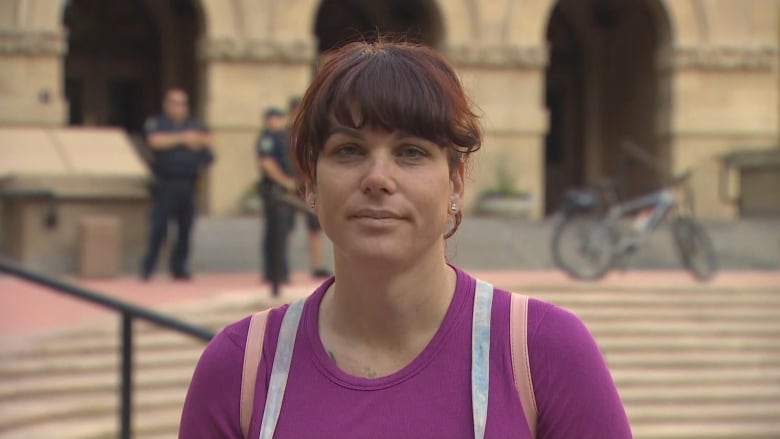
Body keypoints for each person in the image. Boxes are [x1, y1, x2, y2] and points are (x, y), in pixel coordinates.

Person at [180, 40, 632, 438]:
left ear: (455, 182)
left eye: (411, 152)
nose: (378, 178)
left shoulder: (543, 354)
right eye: (349, 150)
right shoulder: (239, 370)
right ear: (310, 183)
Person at [140, 88, 213, 281]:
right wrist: (184, 138)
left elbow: (208, 143)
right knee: (159, 228)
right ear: (166, 105)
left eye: (182, 103)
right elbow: (155, 142)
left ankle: (179, 268)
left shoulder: (194, 124)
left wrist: (193, 140)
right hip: (166, 184)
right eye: (174, 103)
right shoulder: (158, 123)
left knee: (185, 229)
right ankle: (149, 267)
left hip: (188, 184)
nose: (179, 107)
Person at [286, 96, 332, 279]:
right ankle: (282, 267)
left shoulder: (312, 135)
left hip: (309, 184)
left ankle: (317, 265)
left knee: (314, 227)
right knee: (285, 228)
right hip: (289, 187)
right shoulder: (284, 135)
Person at [256, 107, 296, 290]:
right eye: (273, 118)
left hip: (288, 192)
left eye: (279, 117)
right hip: (275, 191)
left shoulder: (286, 137)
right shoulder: (267, 138)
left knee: (285, 231)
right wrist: (285, 181)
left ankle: (281, 271)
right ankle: (273, 273)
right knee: (275, 232)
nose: (277, 121)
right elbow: (267, 163)